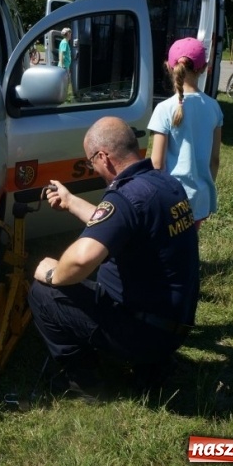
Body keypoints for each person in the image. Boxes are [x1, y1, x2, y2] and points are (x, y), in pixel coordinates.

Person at [28, 116, 199, 397]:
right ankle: (152, 367)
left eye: (90, 162)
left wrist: (51, 273)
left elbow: (82, 261)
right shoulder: (164, 184)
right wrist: (70, 201)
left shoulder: (125, 197)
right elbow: (114, 223)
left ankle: (84, 383)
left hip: (144, 333)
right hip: (174, 325)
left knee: (42, 293)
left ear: (103, 157)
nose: (92, 168)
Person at [148, 37, 223, 225]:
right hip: (201, 195)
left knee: (169, 246)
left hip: (171, 197)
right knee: (190, 244)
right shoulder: (214, 107)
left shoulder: (164, 108)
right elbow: (215, 160)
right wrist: (206, 184)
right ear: (204, 68)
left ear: (169, 66)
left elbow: (157, 163)